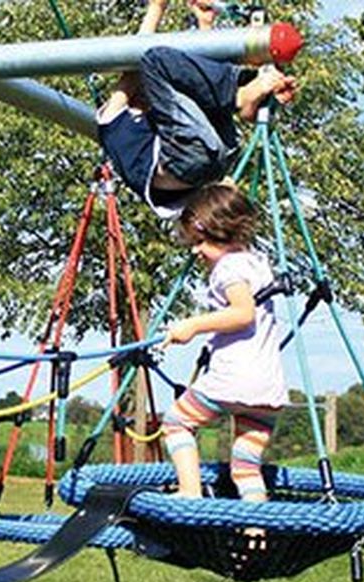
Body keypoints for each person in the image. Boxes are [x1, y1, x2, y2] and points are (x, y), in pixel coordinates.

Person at [97, 0, 297, 219]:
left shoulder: (148, 126)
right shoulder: (111, 120)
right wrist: (156, 8)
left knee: (197, 94)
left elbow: (201, 88)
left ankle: (254, 92)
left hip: (214, 156)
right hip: (187, 161)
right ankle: (240, 96)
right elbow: (135, 61)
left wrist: (205, 26)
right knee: (154, 61)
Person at [161, 182, 286, 508]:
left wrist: (192, 325)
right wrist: (226, 191)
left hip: (232, 381)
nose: (195, 250)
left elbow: (243, 313)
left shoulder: (226, 269)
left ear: (223, 233)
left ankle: (189, 491)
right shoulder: (257, 262)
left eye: (200, 241)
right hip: (267, 390)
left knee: (176, 423)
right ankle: (256, 530)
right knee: (245, 467)